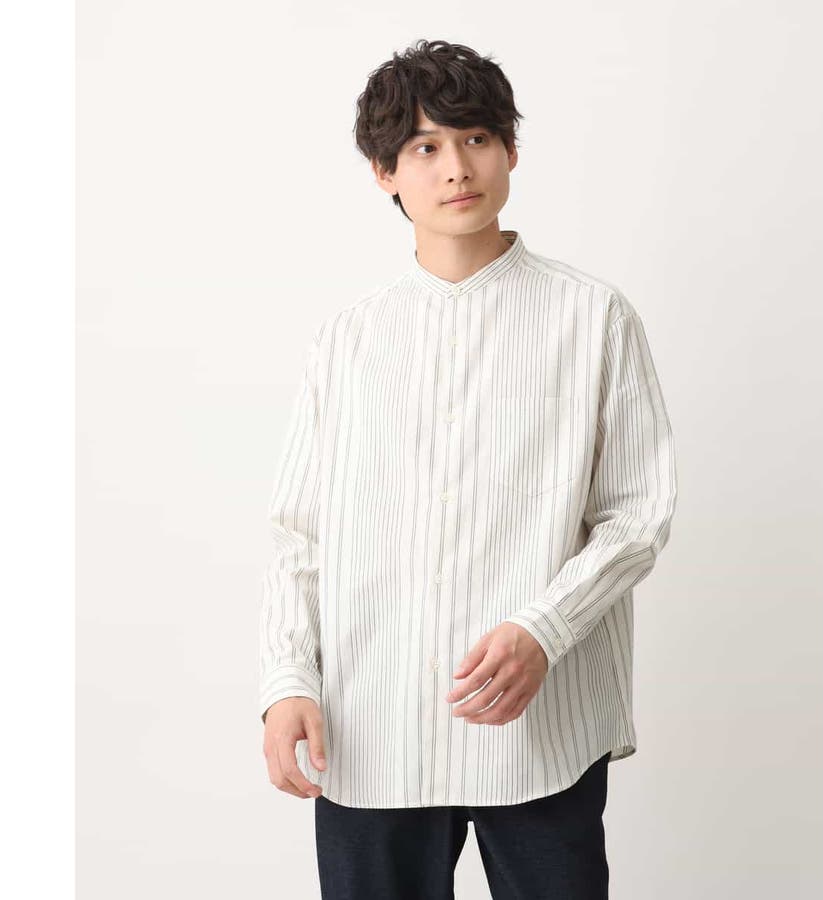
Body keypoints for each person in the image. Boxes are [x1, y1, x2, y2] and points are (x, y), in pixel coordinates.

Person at [259, 38, 678, 900]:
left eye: (476, 138)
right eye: (424, 147)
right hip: (372, 725)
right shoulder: (347, 342)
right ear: (384, 172)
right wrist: (288, 678)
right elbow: (301, 532)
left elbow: (637, 514)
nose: (456, 167)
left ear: (510, 150)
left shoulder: (592, 318)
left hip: (542, 731)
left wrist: (544, 630)